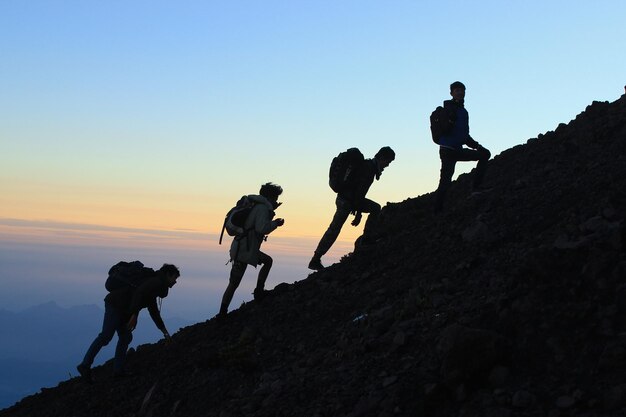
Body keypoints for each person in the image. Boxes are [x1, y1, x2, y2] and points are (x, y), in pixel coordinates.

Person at [76, 263, 180, 382]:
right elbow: (139, 293)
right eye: (174, 278)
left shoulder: (156, 285)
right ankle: (84, 365)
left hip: (125, 309)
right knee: (106, 336)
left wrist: (164, 331)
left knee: (125, 338)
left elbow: (153, 310)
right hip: (115, 305)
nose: (175, 282)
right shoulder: (155, 282)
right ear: (168, 275)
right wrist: (134, 315)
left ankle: (118, 371)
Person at [308, 146, 395, 271]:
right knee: (335, 229)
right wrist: (358, 214)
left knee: (335, 228)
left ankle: (316, 258)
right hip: (346, 201)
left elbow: (358, 192)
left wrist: (357, 209)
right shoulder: (369, 169)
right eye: (388, 161)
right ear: (381, 157)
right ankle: (316, 259)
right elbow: (360, 192)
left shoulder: (367, 166)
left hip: (345, 199)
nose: (387, 165)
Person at [218, 182, 285, 317]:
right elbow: (262, 228)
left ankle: (223, 312)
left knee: (234, 283)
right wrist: (275, 223)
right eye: (275, 197)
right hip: (244, 250)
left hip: (243, 247)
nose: (276, 200)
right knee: (234, 283)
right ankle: (257, 292)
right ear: (270, 197)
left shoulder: (256, 205)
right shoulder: (261, 208)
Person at [434, 81, 491, 213]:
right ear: (451, 93)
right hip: (448, 150)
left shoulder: (462, 111)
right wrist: (477, 147)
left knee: (445, 180)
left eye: (462, 90)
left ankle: (438, 211)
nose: (460, 92)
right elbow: (453, 132)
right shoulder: (450, 110)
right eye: (457, 90)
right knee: (445, 181)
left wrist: (477, 146)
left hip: (453, 150)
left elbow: (464, 135)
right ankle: (438, 211)